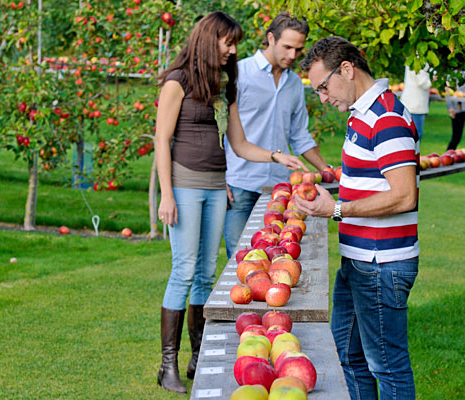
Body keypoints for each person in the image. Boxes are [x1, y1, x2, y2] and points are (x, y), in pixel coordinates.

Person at [154, 11, 305, 394]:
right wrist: (167, 195)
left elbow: (238, 144)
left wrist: (276, 156)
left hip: (216, 184)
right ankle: (166, 363)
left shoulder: (225, 84)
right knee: (184, 270)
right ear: (209, 40)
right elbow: (161, 141)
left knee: (207, 273)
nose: (233, 50)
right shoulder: (178, 82)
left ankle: (196, 355)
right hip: (185, 186)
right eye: (228, 42)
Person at [296, 36, 420, 400]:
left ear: (346, 70)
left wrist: (334, 209)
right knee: (347, 357)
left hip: (381, 264)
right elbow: (370, 185)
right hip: (359, 261)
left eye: (323, 86)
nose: (322, 97)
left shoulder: (386, 118)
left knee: (388, 366)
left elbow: (403, 195)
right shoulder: (362, 115)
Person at [223, 12, 328, 260]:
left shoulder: (294, 84)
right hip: (240, 183)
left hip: (279, 188)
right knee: (239, 259)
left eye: (298, 49)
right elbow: (219, 129)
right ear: (271, 38)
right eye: (287, 47)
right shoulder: (239, 73)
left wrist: (327, 169)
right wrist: (219, 175)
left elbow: (300, 135)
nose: (292, 56)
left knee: (278, 257)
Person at [400, 65, 431, 140]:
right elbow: (423, 82)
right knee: (415, 136)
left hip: (411, 102)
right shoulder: (419, 59)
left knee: (408, 135)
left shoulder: (413, 58)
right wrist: (435, 80)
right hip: (415, 104)